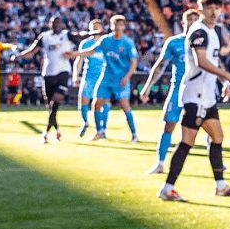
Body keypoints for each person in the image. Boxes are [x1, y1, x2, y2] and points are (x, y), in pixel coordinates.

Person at [157, 0, 230, 202]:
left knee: (217, 137)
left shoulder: (212, 32)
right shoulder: (199, 31)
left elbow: (212, 62)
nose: (214, 12)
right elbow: (202, 61)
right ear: (200, 10)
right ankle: (167, 188)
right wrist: (229, 76)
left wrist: (223, 82)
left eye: (217, 8)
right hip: (194, 94)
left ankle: (221, 186)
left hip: (207, 96)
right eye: (209, 8)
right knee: (187, 142)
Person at [139, 9, 201, 174]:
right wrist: (147, 87)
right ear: (183, 23)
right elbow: (159, 66)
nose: (193, 21)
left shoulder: (204, 42)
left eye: (196, 18)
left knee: (209, 126)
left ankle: (218, 164)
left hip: (198, 91)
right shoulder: (174, 43)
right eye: (190, 18)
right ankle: (160, 163)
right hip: (177, 91)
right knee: (169, 125)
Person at [15, 15, 91, 143]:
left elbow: (80, 35)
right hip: (48, 74)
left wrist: (96, 32)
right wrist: (18, 56)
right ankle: (57, 131)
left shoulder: (67, 35)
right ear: (49, 24)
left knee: (55, 103)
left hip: (63, 73)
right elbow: (32, 50)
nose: (55, 25)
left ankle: (45, 133)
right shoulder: (44, 37)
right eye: (53, 23)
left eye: (58, 23)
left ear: (62, 24)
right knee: (50, 107)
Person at [90, 15, 140, 142]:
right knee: (96, 103)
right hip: (106, 78)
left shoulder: (128, 42)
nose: (118, 27)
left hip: (121, 79)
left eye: (120, 25)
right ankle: (99, 131)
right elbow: (91, 51)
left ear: (124, 27)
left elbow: (134, 63)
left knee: (125, 106)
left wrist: (127, 77)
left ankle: (134, 134)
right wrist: (75, 54)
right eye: (115, 24)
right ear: (111, 26)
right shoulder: (105, 40)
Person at [73, 20, 107, 137]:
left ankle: (102, 129)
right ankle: (85, 122)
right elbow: (79, 60)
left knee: (103, 103)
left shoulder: (106, 43)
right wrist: (75, 75)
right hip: (88, 76)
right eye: (92, 28)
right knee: (83, 100)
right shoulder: (85, 43)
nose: (94, 30)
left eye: (97, 27)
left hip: (103, 77)